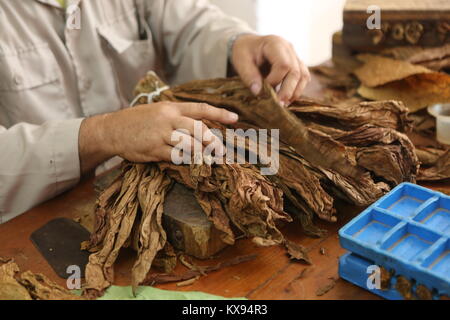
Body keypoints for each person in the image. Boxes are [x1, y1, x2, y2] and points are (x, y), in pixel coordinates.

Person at [0, 0, 311, 223]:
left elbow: (188, 24)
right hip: (34, 221)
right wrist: (103, 134)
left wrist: (238, 43)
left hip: (155, 184)